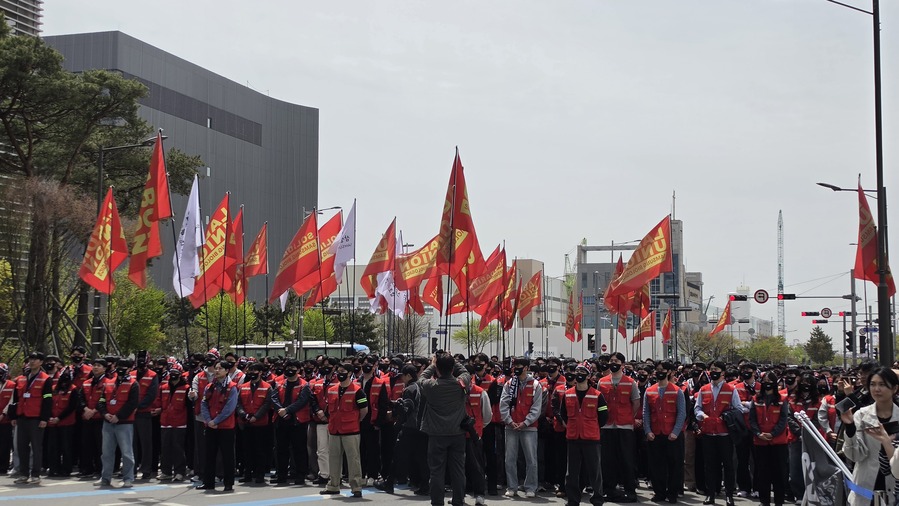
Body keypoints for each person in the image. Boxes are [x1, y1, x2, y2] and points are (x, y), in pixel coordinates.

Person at [841, 367, 899, 506]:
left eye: (882, 384)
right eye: (873, 384)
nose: (876, 389)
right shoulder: (861, 415)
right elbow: (855, 455)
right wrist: (850, 428)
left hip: (894, 486)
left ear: (895, 388)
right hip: (865, 486)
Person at [419, 353, 471, 506]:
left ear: (438, 369)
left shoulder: (431, 386)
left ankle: (437, 502)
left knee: (436, 471)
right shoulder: (460, 383)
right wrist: (453, 361)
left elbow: (421, 378)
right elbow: (465, 372)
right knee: (458, 470)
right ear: (452, 368)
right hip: (457, 433)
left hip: (436, 434)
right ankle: (458, 500)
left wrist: (433, 364)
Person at [694, 360, 746, 506]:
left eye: (716, 369)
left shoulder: (731, 389)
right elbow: (697, 408)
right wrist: (702, 416)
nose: (713, 372)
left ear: (723, 373)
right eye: (712, 369)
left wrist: (727, 416)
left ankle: (729, 495)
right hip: (708, 433)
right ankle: (710, 494)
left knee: (728, 465)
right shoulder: (703, 389)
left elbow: (738, 409)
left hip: (724, 434)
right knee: (709, 465)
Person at [559, 363, 608, 506]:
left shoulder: (598, 395)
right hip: (573, 438)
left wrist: (592, 427)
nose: (578, 374)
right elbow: (564, 414)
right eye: (577, 372)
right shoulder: (568, 394)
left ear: (588, 376)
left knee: (595, 471)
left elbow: (603, 416)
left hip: (591, 438)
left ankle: (598, 499)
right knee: (572, 473)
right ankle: (573, 500)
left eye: (582, 372)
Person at [319, 362, 368, 498]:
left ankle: (356, 487)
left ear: (350, 373)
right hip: (334, 429)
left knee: (353, 460)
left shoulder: (358, 390)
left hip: (351, 430)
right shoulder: (332, 389)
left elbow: (364, 410)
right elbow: (329, 408)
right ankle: (333, 485)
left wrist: (356, 420)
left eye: (343, 371)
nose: (340, 374)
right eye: (338, 371)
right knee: (333, 459)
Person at [597, 352, 640, 503]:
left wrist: (628, 416)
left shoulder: (630, 382)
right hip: (607, 426)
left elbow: (635, 403)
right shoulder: (602, 382)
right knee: (608, 461)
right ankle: (609, 489)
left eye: (616, 361)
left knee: (627, 460)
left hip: (625, 426)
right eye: (611, 361)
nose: (613, 363)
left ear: (622, 364)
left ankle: (630, 491)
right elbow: (599, 404)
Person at [643, 360, 686, 504]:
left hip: (672, 435)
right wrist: (647, 431)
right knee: (656, 466)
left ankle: (672, 493)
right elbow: (646, 413)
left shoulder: (677, 390)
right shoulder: (649, 391)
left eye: (662, 370)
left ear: (669, 372)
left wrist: (675, 431)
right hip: (655, 434)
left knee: (675, 466)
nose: (659, 372)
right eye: (657, 370)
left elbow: (681, 413)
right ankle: (659, 492)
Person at [499, 357, 543, 498]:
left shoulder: (535, 384)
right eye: (514, 365)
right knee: (510, 458)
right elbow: (503, 404)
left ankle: (530, 487)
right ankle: (512, 487)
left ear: (526, 367)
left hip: (529, 427)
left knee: (531, 459)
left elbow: (537, 408)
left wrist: (526, 422)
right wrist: (510, 421)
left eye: (518, 365)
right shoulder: (509, 384)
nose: (515, 368)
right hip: (511, 426)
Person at [9, 351, 52, 485]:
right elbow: (15, 399)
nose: (32, 361)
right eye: (30, 359)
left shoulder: (45, 379)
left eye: (35, 359)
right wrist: (14, 416)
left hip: (36, 418)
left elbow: (47, 400)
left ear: (41, 362)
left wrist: (44, 418)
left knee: (36, 447)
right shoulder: (21, 378)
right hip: (22, 417)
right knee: (21, 447)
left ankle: (35, 474)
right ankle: (23, 473)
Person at [196, 360, 239, 493]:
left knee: (227, 456)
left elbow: (229, 408)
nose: (217, 371)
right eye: (216, 368)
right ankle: (208, 482)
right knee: (209, 455)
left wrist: (216, 421)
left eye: (220, 369)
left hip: (225, 427)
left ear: (227, 371)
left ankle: (228, 483)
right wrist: (209, 420)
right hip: (210, 426)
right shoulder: (210, 386)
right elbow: (203, 404)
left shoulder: (232, 387)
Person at [96, 359, 139, 488]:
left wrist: (118, 416)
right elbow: (101, 400)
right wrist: (105, 414)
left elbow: (132, 403)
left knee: (126, 452)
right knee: (106, 452)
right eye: (119, 366)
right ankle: (106, 477)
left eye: (124, 367)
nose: (121, 369)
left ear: (129, 369)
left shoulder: (133, 384)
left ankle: (128, 478)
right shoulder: (108, 383)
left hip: (124, 423)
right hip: (108, 422)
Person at [270, 359, 314, 486]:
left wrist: (287, 410)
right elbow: (273, 397)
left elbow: (302, 401)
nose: (290, 370)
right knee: (281, 449)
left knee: (299, 449)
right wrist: (280, 410)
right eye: (288, 367)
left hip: (297, 421)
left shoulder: (304, 384)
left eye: (293, 368)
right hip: (280, 420)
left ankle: (301, 474)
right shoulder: (279, 383)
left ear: (299, 370)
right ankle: (281, 474)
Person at [748, 372, 789, 506]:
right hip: (760, 441)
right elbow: (752, 419)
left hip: (778, 442)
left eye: (769, 380)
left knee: (779, 473)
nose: (767, 383)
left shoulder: (782, 399)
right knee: (762, 473)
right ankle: (764, 501)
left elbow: (783, 420)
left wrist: (773, 434)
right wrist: (758, 433)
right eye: (764, 380)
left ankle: (779, 501)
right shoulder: (756, 399)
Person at [158, 362, 189, 482]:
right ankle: (166, 471)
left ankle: (179, 472)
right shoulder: (163, 387)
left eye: (176, 374)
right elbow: (158, 401)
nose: (173, 376)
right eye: (172, 374)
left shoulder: (186, 388)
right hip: (165, 422)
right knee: (165, 448)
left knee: (178, 448)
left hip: (180, 423)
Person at [131, 351, 159, 480]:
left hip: (144, 413)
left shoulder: (153, 375)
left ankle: (146, 469)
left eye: (143, 358)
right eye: (139, 358)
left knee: (146, 443)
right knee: (132, 443)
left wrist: (139, 407)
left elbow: (151, 395)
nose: (141, 361)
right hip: (130, 414)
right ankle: (132, 469)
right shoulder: (131, 374)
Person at [47, 368, 79, 477]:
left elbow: (72, 407)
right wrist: (51, 417)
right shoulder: (53, 389)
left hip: (66, 423)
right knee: (53, 447)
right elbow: (48, 403)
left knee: (66, 447)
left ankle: (66, 469)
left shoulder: (73, 389)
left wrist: (59, 418)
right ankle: (53, 468)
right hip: (53, 422)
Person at [0, 363, 14, 475]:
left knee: (5, 444)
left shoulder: (11, 385)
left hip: (6, 420)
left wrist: (3, 414)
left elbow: (11, 402)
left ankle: (3, 466)